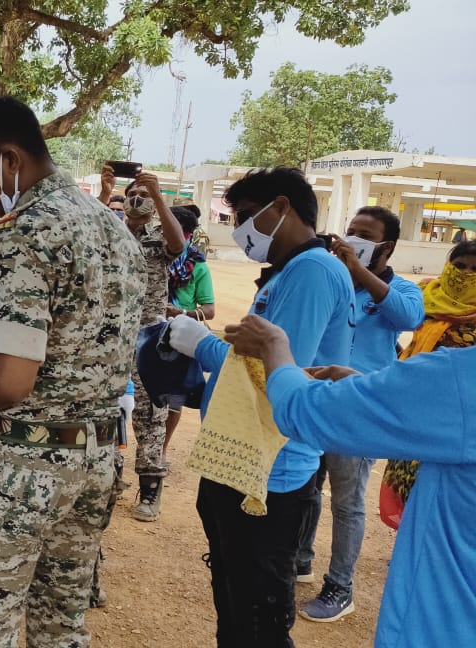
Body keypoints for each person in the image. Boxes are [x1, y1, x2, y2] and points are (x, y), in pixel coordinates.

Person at [0, 94, 143, 648]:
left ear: (11, 157)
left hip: (26, 467)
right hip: (96, 461)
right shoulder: (114, 229)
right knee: (60, 624)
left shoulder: (27, 230)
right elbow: (85, 337)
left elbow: (7, 384)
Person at [167, 167, 354, 647]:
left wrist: (201, 345)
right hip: (247, 464)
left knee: (257, 621)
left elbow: (275, 369)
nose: (241, 230)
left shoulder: (312, 270)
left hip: (271, 474)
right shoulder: (293, 269)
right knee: (236, 607)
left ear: (282, 207)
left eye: (248, 216)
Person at [223, 314, 476, 648]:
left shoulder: (460, 377)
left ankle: (339, 584)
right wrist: (366, 392)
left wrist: (274, 347)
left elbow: (305, 412)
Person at [294, 206, 424, 622]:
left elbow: (409, 317)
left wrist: (358, 270)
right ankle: (301, 558)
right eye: (350, 230)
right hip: (317, 398)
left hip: (360, 408)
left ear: (386, 246)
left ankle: (340, 586)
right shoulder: (331, 280)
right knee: (305, 485)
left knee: (347, 501)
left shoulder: (401, 289)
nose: (351, 238)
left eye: (363, 234)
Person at [98, 164, 184, 522]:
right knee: (107, 406)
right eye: (132, 194)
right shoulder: (113, 231)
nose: (136, 199)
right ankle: (109, 481)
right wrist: (105, 191)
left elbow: (178, 245)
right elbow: (89, 231)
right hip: (112, 334)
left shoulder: (159, 235)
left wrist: (160, 198)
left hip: (151, 335)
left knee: (152, 415)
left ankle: (150, 491)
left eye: (144, 195)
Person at [377, 240, 476, 537]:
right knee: (413, 483)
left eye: (475, 269)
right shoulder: (426, 296)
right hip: (418, 410)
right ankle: (413, 543)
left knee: (452, 493)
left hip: (462, 420)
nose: (465, 273)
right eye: (459, 266)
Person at [161, 205, 215, 456]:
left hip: (177, 339)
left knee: (173, 400)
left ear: (188, 235)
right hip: (143, 332)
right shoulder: (152, 256)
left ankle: (160, 451)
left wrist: (181, 313)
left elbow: (209, 310)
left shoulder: (199, 267)